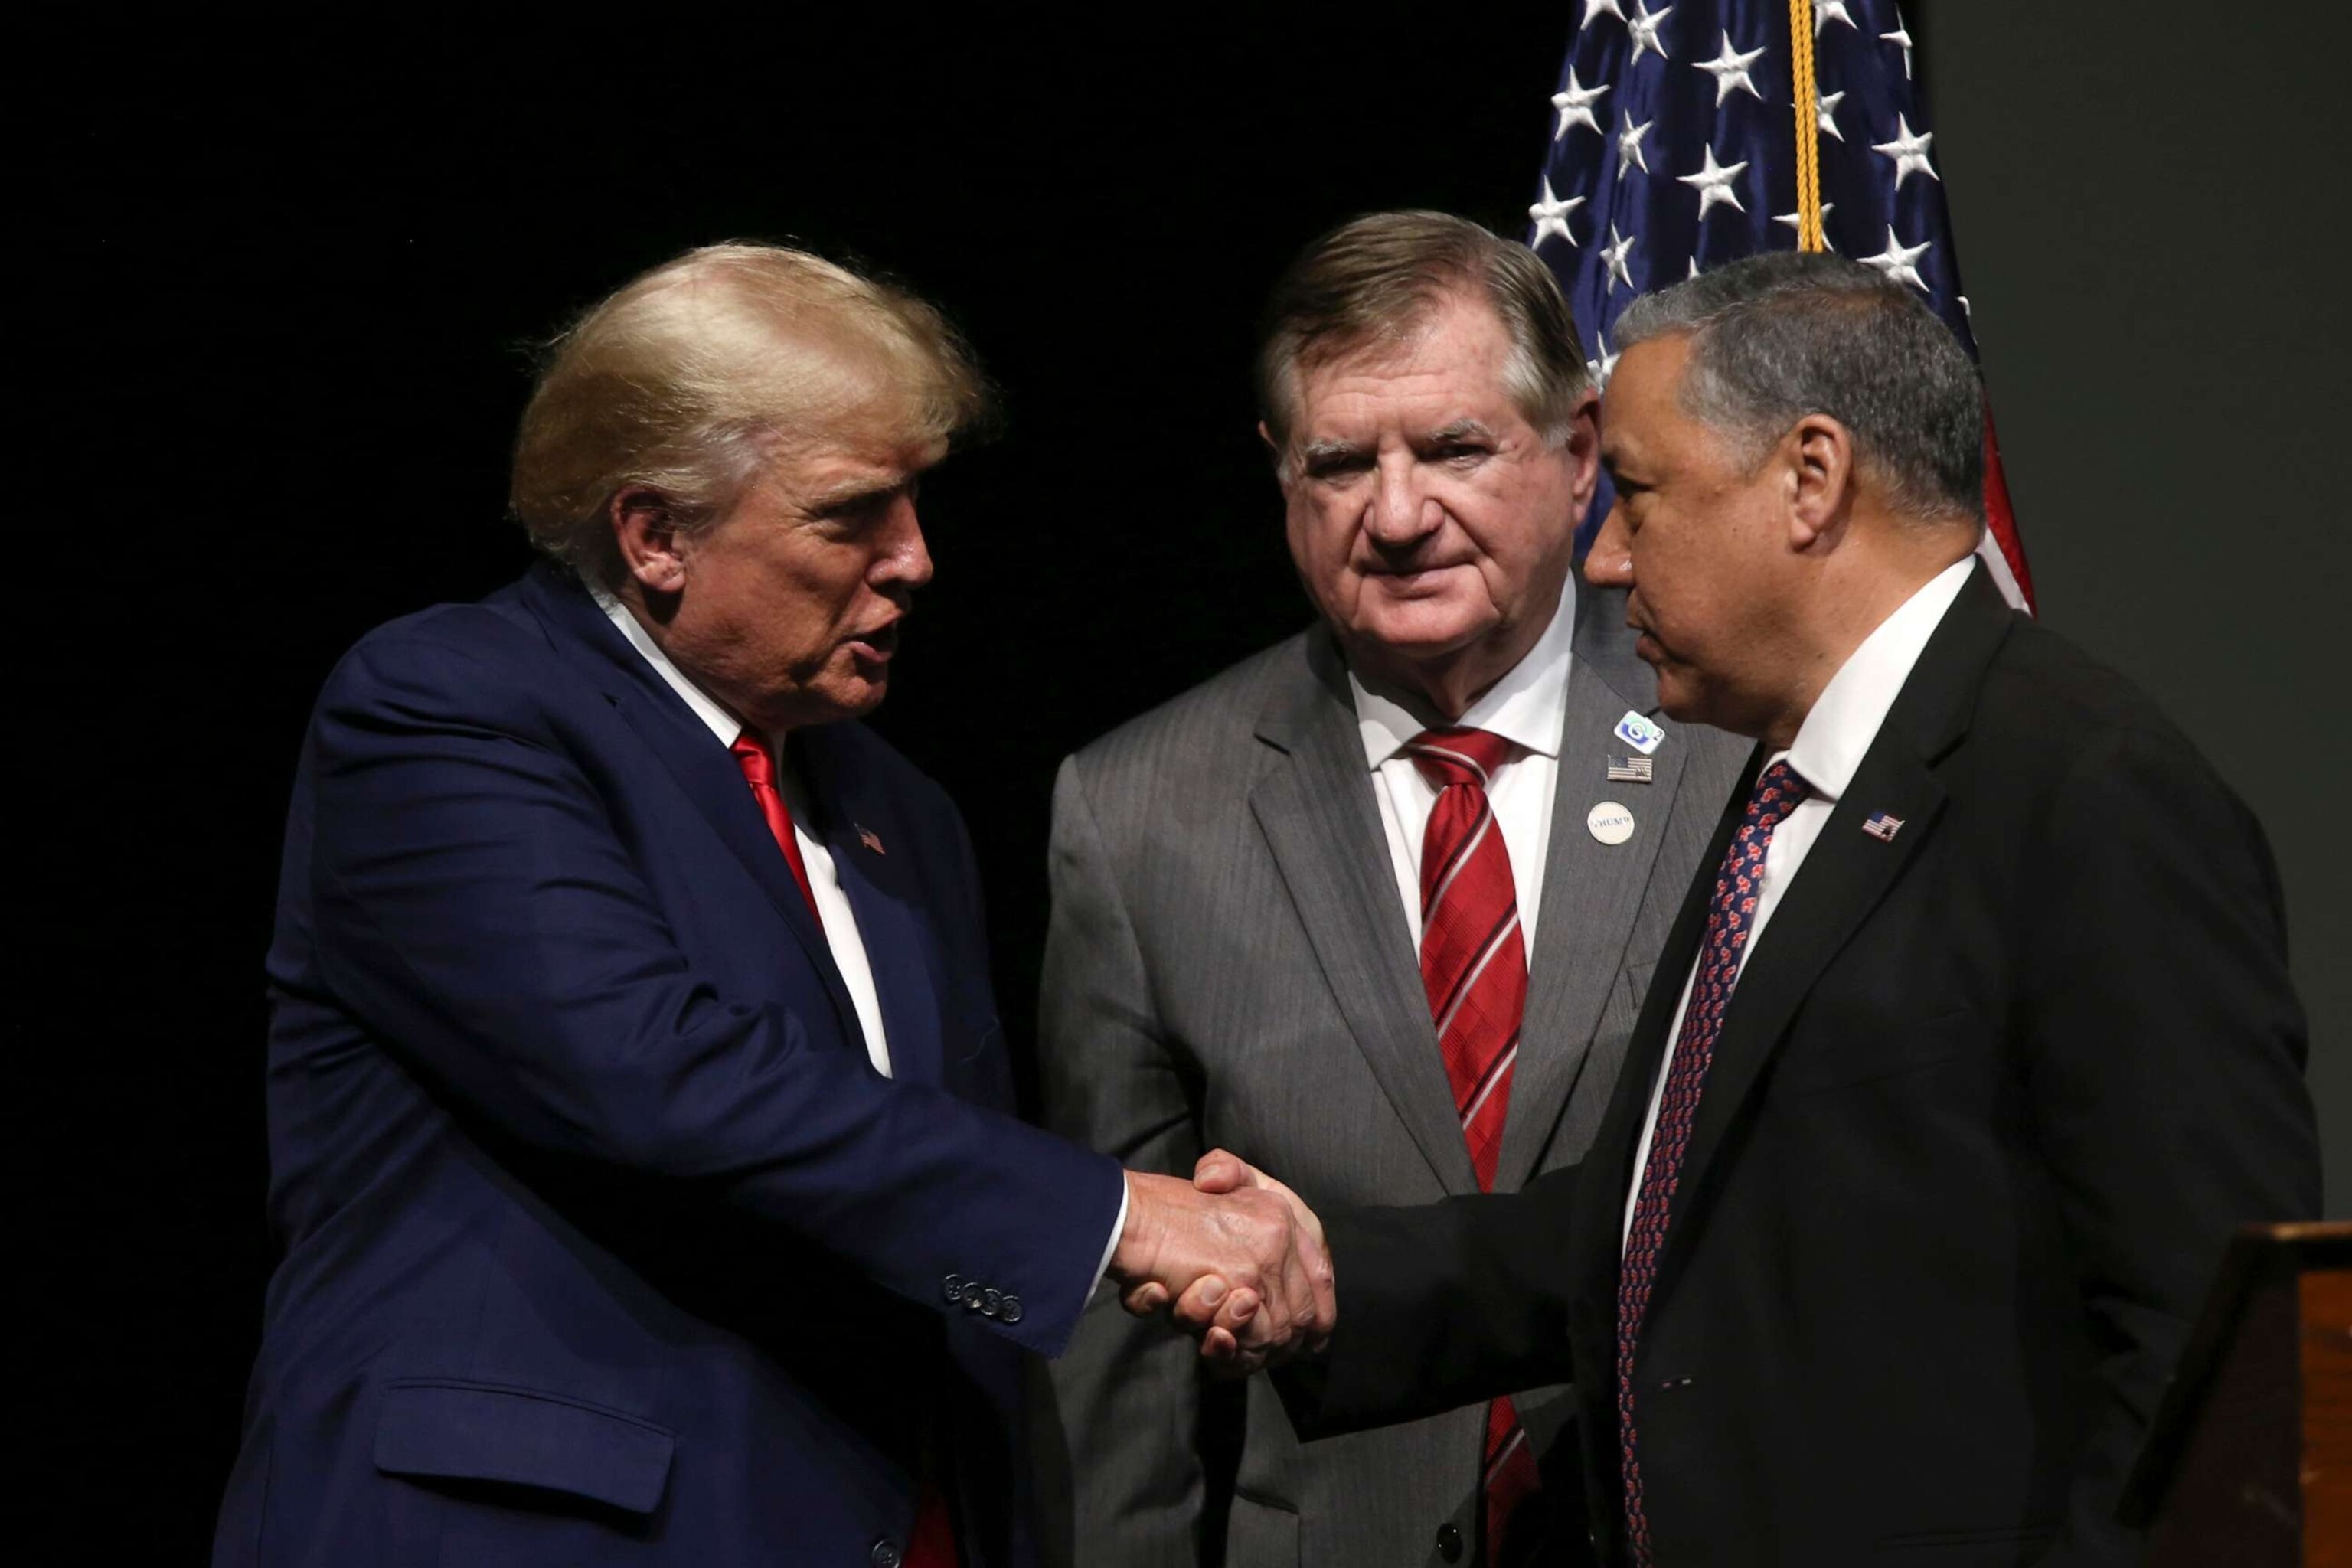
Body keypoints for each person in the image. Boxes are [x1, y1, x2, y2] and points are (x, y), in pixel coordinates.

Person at [1178, 252, 2321, 1566]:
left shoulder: (2086, 794)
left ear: (1811, 481)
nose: (1603, 558)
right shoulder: (1792, 782)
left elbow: (2224, 1361)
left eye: (1642, 498)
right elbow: (1687, 1209)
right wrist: (1326, 1277)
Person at [213, 243, 1329, 1568]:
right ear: (656, 535)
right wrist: (1122, 1216)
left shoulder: (900, 811)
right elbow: (656, 1074)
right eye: (851, 513)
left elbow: (922, 1213)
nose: (915, 561)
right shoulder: (446, 711)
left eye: (916, 504)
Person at [1037, 212, 1748, 1568]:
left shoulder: (1737, 740)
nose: (1401, 514)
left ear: (1580, 452)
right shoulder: (1137, 812)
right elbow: (1112, 1338)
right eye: (1343, 462)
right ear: (1280, 476)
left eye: (1456, 448)